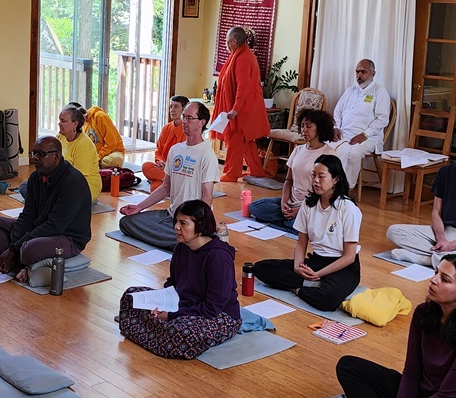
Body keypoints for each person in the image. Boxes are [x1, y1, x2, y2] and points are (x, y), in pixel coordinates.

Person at [336, 254, 456, 398]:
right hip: (422, 395)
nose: (433, 279)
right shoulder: (423, 313)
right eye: (436, 272)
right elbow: (411, 373)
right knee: (348, 367)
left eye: (445, 279)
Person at [117, 200, 242, 360]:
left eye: (183, 223)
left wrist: (171, 316)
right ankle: (159, 333)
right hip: (182, 303)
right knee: (131, 296)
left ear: (200, 225)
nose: (176, 227)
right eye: (176, 222)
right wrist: (162, 303)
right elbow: (172, 283)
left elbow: (212, 308)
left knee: (184, 332)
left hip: (217, 315)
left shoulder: (218, 257)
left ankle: (154, 330)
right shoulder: (181, 247)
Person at [251, 154, 361, 312]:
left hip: (343, 267)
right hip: (317, 261)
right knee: (260, 268)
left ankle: (299, 288)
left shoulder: (348, 208)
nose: (316, 180)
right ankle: (311, 284)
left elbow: (349, 257)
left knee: (328, 300)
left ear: (336, 179)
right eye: (314, 176)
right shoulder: (309, 205)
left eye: (321, 176)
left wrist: (318, 274)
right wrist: (297, 266)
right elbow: (302, 243)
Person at [0, 136, 91, 283]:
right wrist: (14, 244)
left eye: (41, 154)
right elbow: (27, 215)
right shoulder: (36, 177)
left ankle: (15, 261)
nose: (35, 158)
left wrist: (14, 248)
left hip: (66, 237)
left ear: (56, 156)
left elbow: (55, 226)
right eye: (33, 153)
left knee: (30, 249)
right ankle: (22, 267)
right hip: (37, 229)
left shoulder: (73, 182)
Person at [118, 102, 218, 250]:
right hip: (170, 215)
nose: (184, 121)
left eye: (190, 118)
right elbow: (166, 187)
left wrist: (199, 226)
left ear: (201, 123)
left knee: (187, 232)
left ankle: (188, 238)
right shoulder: (175, 150)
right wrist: (138, 207)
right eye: (184, 117)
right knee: (126, 223)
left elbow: (207, 197)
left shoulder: (207, 155)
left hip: (190, 220)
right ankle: (182, 241)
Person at [249, 109, 335, 234]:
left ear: (320, 128)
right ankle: (290, 222)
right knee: (255, 207)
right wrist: (284, 203)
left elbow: (328, 193)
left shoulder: (329, 154)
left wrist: (300, 210)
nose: (304, 130)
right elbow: (288, 180)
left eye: (309, 126)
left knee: (309, 222)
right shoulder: (298, 150)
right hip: (291, 202)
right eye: (302, 126)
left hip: (312, 207)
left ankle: (289, 222)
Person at [211, 26, 270, 183]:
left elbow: (243, 87)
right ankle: (256, 171)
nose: (225, 44)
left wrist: (235, 109)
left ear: (234, 41)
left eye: (226, 41)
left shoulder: (243, 58)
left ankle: (231, 173)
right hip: (244, 107)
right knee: (247, 140)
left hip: (244, 109)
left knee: (237, 140)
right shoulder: (240, 54)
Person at [331, 59, 392, 190]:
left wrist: (365, 134)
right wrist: (336, 127)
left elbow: (382, 119)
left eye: (363, 72)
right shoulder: (350, 90)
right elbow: (338, 111)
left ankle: (347, 189)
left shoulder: (380, 92)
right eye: (357, 72)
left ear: (373, 73)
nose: (359, 75)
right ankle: (329, 186)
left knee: (353, 154)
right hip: (344, 133)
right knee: (326, 148)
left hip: (370, 137)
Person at [387, 161, 456, 268]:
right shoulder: (445, 172)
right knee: (393, 231)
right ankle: (444, 258)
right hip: (445, 230)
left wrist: (451, 245)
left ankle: (425, 259)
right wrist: (441, 238)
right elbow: (436, 211)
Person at [142, 95, 189, 192]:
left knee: (155, 188)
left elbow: (186, 158)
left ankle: (163, 181)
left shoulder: (188, 130)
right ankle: (170, 184)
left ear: (184, 110)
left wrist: (168, 166)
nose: (172, 110)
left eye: (176, 107)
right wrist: (160, 162)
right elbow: (158, 152)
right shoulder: (166, 128)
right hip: (164, 168)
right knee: (146, 166)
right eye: (171, 107)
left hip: (178, 170)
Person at [56, 104, 102, 202]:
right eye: (60, 120)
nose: (59, 124)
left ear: (75, 124)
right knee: (26, 186)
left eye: (63, 121)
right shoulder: (60, 137)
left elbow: (78, 177)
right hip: (63, 182)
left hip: (84, 187)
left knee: (52, 195)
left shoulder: (84, 144)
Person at [69, 102, 126, 169]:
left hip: (114, 152)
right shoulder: (84, 124)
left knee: (108, 161)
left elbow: (112, 143)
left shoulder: (100, 116)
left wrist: (98, 158)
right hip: (97, 156)